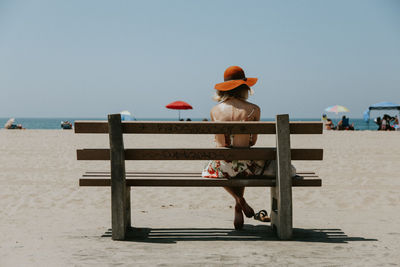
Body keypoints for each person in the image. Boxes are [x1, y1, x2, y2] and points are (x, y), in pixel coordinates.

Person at [201, 66, 296, 229]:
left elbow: (219, 142)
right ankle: (239, 203)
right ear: (244, 87)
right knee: (242, 162)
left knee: (219, 166)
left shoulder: (214, 111)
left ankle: (240, 202)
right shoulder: (254, 109)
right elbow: (252, 142)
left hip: (222, 166)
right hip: (246, 166)